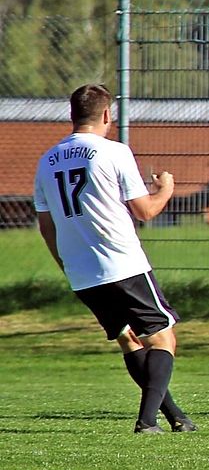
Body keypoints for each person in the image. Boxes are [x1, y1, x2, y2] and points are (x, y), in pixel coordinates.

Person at [34, 83, 192, 433]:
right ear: (107, 115)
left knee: (128, 339)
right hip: (121, 263)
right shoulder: (114, 152)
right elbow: (145, 211)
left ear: (71, 115)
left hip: (81, 270)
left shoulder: (46, 161)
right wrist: (165, 188)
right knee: (163, 338)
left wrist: (66, 266)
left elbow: (47, 228)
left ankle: (176, 417)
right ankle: (147, 421)